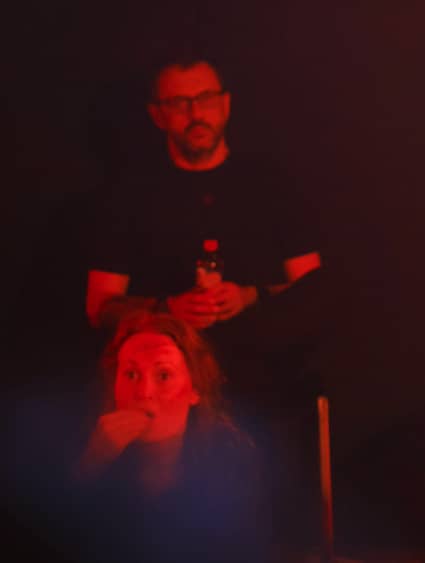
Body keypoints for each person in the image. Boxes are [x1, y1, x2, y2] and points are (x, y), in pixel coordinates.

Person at [84, 57, 328, 557]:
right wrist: (166, 307)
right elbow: (98, 305)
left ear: (226, 104)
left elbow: (316, 289)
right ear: (158, 114)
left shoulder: (271, 184)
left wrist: (250, 294)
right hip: (165, 402)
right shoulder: (129, 194)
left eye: (205, 99)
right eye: (179, 102)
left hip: (264, 392)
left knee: (264, 531)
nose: (195, 113)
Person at [70, 311, 265, 563]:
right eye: (131, 374)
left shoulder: (231, 457)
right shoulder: (80, 446)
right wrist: (91, 465)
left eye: (163, 375)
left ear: (195, 389)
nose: (144, 392)